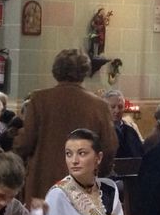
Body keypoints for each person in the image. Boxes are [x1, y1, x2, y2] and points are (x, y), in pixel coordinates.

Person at [13, 49, 117, 202]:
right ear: (84, 71)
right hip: (82, 187)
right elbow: (108, 147)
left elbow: (26, 142)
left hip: (43, 185)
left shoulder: (39, 100)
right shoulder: (99, 106)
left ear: (56, 70)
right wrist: (97, 173)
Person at [105, 89, 143, 158]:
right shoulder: (101, 131)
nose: (117, 110)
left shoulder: (131, 131)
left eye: (120, 107)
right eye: (112, 107)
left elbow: (139, 154)